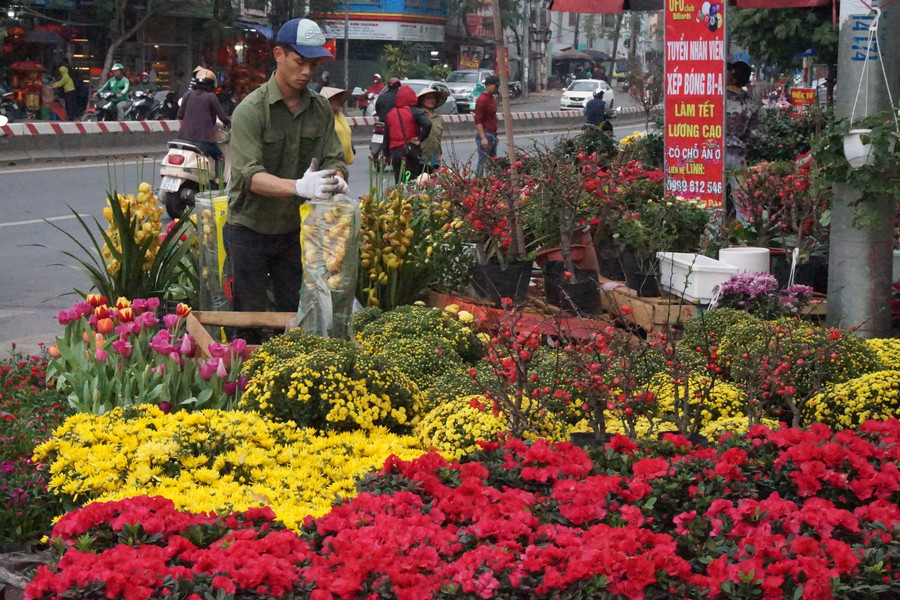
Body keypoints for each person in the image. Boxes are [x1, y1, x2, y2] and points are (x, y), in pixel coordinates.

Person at [225, 18, 348, 342]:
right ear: (278, 54)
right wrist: (297, 187)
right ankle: (245, 380)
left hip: (293, 230)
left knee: (294, 313)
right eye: (299, 61)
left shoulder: (320, 109)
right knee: (248, 316)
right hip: (249, 228)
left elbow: (334, 157)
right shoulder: (251, 111)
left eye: (313, 64)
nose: (307, 71)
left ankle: (285, 379)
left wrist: (335, 178)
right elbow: (249, 176)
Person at [176, 67, 231, 175]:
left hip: (183, 138)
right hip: (203, 140)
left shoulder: (187, 94)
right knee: (220, 157)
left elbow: (180, 115)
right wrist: (229, 124)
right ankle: (218, 182)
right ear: (212, 84)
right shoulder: (211, 97)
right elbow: (223, 117)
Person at [385, 84, 431, 184]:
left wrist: (386, 154)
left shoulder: (390, 114)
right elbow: (427, 124)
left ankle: (399, 197)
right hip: (410, 150)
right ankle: (410, 198)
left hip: (395, 152)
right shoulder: (414, 111)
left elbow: (386, 137)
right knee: (411, 179)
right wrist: (420, 139)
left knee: (399, 179)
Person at [725, 60, 759, 171]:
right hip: (738, 156)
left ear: (732, 77)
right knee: (739, 187)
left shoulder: (718, 98)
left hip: (716, 154)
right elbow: (753, 133)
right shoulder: (751, 103)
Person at [321, 86, 354, 165]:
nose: (339, 101)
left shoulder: (341, 116)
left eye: (339, 99)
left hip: (343, 162)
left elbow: (346, 133)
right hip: (330, 162)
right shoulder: (323, 118)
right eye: (335, 99)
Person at [474, 74, 500, 176]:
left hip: (492, 134)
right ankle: (478, 181)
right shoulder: (482, 100)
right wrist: (483, 137)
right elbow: (478, 120)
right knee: (482, 162)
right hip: (485, 133)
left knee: (493, 162)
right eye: (495, 86)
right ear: (488, 85)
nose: (497, 88)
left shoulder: (492, 99)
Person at [417, 87, 446, 174]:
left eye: (432, 98)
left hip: (435, 157)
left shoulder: (439, 118)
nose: (431, 101)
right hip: (421, 157)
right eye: (428, 98)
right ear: (422, 101)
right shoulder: (418, 116)